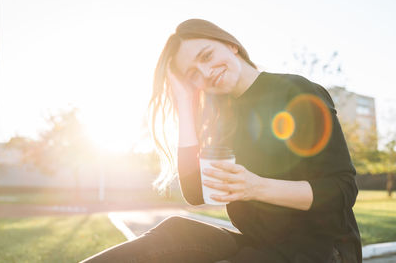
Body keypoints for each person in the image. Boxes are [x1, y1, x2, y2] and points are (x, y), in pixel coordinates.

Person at [81, 18, 362, 263]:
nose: (205, 73)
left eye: (206, 56)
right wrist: (184, 102)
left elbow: (342, 190)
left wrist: (255, 187)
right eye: (193, 75)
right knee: (176, 230)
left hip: (323, 250)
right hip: (262, 245)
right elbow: (195, 192)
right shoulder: (222, 119)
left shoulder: (296, 91)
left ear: (230, 45)